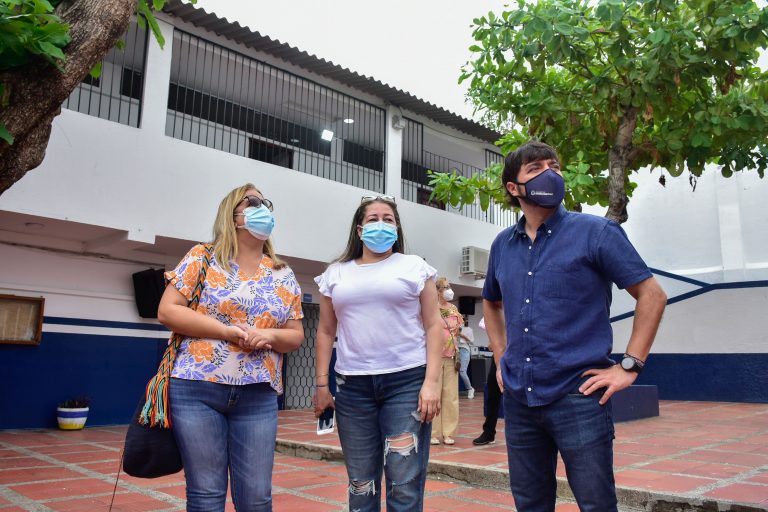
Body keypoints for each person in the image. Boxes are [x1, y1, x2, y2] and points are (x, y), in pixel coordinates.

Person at [482, 141, 667, 511]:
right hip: (519, 398)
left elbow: (652, 295)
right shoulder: (503, 245)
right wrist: (501, 357)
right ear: (513, 187)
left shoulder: (596, 232)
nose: (551, 173)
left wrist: (629, 365)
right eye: (535, 168)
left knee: (596, 503)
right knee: (531, 503)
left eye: (554, 165)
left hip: (579, 396)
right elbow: (491, 300)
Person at [157, 183, 304, 512]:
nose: (262, 207)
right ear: (231, 214)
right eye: (252, 201)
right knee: (206, 493)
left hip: (258, 394)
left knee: (256, 497)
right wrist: (228, 332)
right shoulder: (202, 257)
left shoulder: (282, 273)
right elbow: (168, 310)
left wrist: (268, 337)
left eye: (265, 201)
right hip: (197, 388)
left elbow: (295, 335)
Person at [312, 195, 443, 512]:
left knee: (404, 482)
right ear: (359, 230)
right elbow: (326, 331)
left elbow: (434, 325)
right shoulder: (336, 274)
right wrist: (321, 386)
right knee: (360, 483)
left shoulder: (414, 267)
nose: (381, 225)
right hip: (352, 387)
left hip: (407, 383)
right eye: (373, 219)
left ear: (397, 229)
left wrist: (432, 383)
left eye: (388, 219)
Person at [430, 277, 462, 446]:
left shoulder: (454, 308)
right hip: (434, 356)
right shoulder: (431, 308)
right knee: (434, 395)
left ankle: (448, 433)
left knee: (451, 395)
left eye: (450, 286)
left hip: (451, 356)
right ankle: (433, 432)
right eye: (445, 287)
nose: (449, 290)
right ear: (437, 291)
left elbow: (458, 329)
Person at [472, 318, 501, 446]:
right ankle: (489, 432)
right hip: (499, 354)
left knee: (517, 396)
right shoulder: (500, 304)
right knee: (492, 393)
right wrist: (494, 340)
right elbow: (491, 321)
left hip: (519, 353)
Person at [457, 315, 475, 399]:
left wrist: (462, 336)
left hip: (464, 350)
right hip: (454, 351)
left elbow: (472, 342)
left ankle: (470, 389)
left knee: (462, 372)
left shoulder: (468, 329)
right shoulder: (454, 328)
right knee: (453, 372)